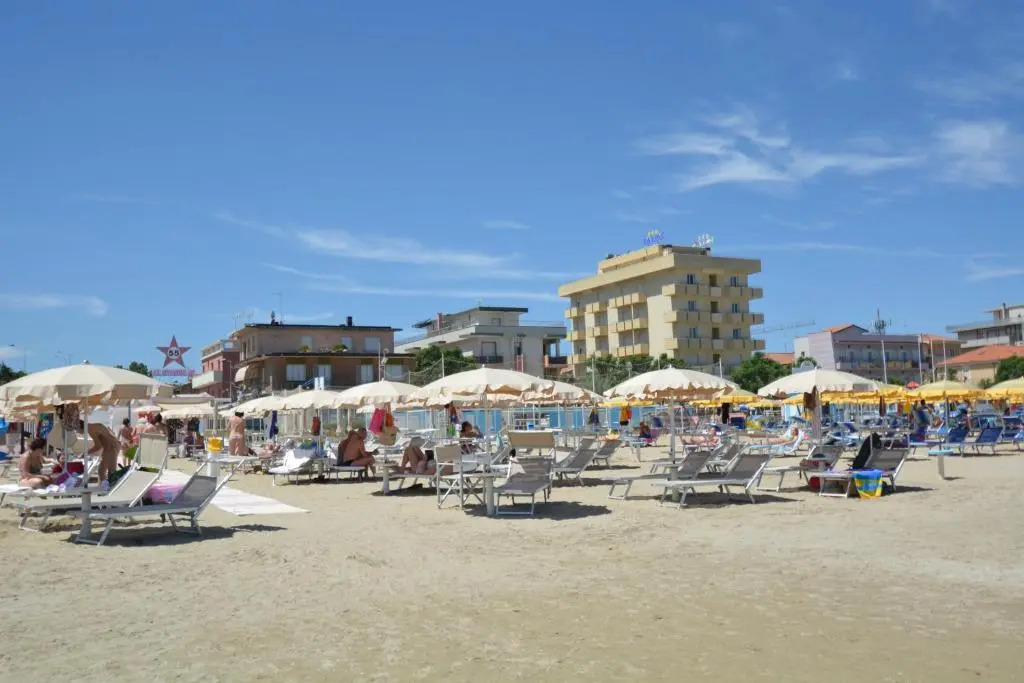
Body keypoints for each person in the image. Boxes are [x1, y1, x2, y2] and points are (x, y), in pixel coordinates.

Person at [79, 420, 120, 487]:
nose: (78, 432)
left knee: (108, 471)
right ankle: (105, 486)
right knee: (102, 470)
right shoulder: (94, 425)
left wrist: (85, 453)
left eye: (77, 430)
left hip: (112, 447)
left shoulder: (90, 429)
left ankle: (109, 488)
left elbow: (98, 446)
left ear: (80, 427)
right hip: (111, 446)